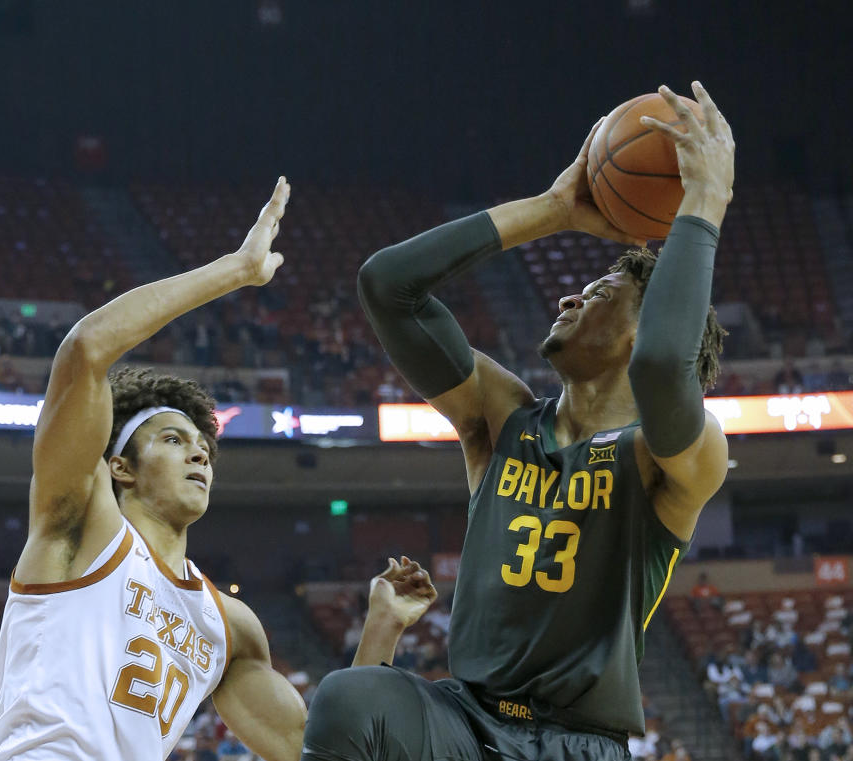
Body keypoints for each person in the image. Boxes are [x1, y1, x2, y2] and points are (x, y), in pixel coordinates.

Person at [302, 82, 734, 761]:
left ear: (643, 328)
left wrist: (703, 204)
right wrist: (552, 209)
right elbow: (388, 286)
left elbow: (659, 368)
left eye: (599, 294)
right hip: (465, 722)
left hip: (579, 742)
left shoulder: (677, 453)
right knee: (351, 697)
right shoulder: (499, 417)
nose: (569, 293)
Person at [0, 179, 438, 761]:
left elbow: (318, 752)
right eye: (173, 440)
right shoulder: (79, 527)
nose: (199, 454)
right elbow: (86, 350)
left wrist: (382, 629)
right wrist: (238, 270)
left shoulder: (228, 625)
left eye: (203, 447)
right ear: (119, 467)